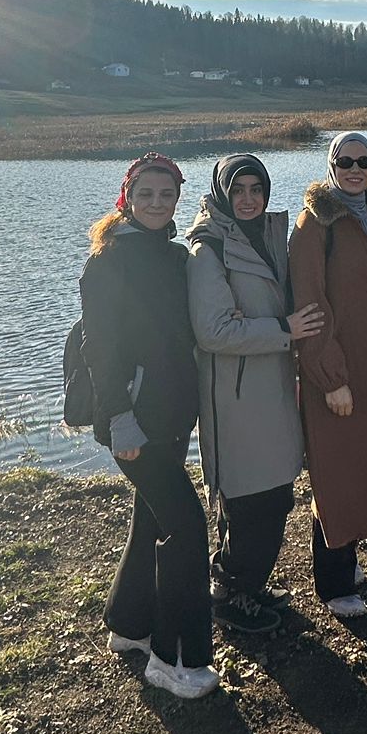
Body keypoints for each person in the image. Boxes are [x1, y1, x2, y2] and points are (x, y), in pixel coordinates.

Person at [80, 153, 219, 700]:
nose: (157, 204)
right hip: (132, 421)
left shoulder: (173, 256)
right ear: (128, 198)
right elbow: (99, 349)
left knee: (151, 518)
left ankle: (128, 624)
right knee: (186, 528)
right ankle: (173, 657)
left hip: (169, 417)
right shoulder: (107, 261)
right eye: (147, 194)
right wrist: (118, 418)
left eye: (167, 195)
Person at [187, 153, 325, 634]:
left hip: (271, 389)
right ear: (223, 192)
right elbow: (213, 330)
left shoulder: (266, 234)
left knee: (273, 496)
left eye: (256, 189)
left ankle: (242, 584)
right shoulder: (208, 249)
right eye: (238, 189)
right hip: (237, 398)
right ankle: (231, 595)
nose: (247, 199)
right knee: (251, 501)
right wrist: (284, 330)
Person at [289, 132, 367, 616]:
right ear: (330, 164)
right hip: (336, 372)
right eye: (346, 161)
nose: (356, 169)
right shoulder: (316, 225)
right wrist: (329, 376)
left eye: (364, 161)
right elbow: (309, 305)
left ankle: (345, 558)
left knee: (362, 461)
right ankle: (334, 586)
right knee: (335, 469)